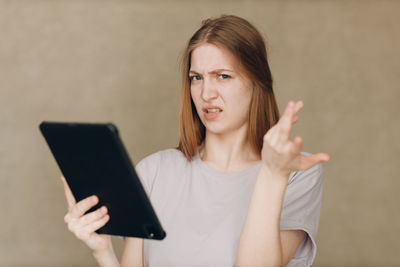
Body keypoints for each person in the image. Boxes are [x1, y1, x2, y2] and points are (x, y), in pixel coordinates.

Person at [61, 15, 330, 267]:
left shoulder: (294, 175)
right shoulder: (153, 172)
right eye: (196, 78)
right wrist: (102, 250)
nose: (206, 93)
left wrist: (273, 174)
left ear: (257, 81)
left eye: (223, 76)